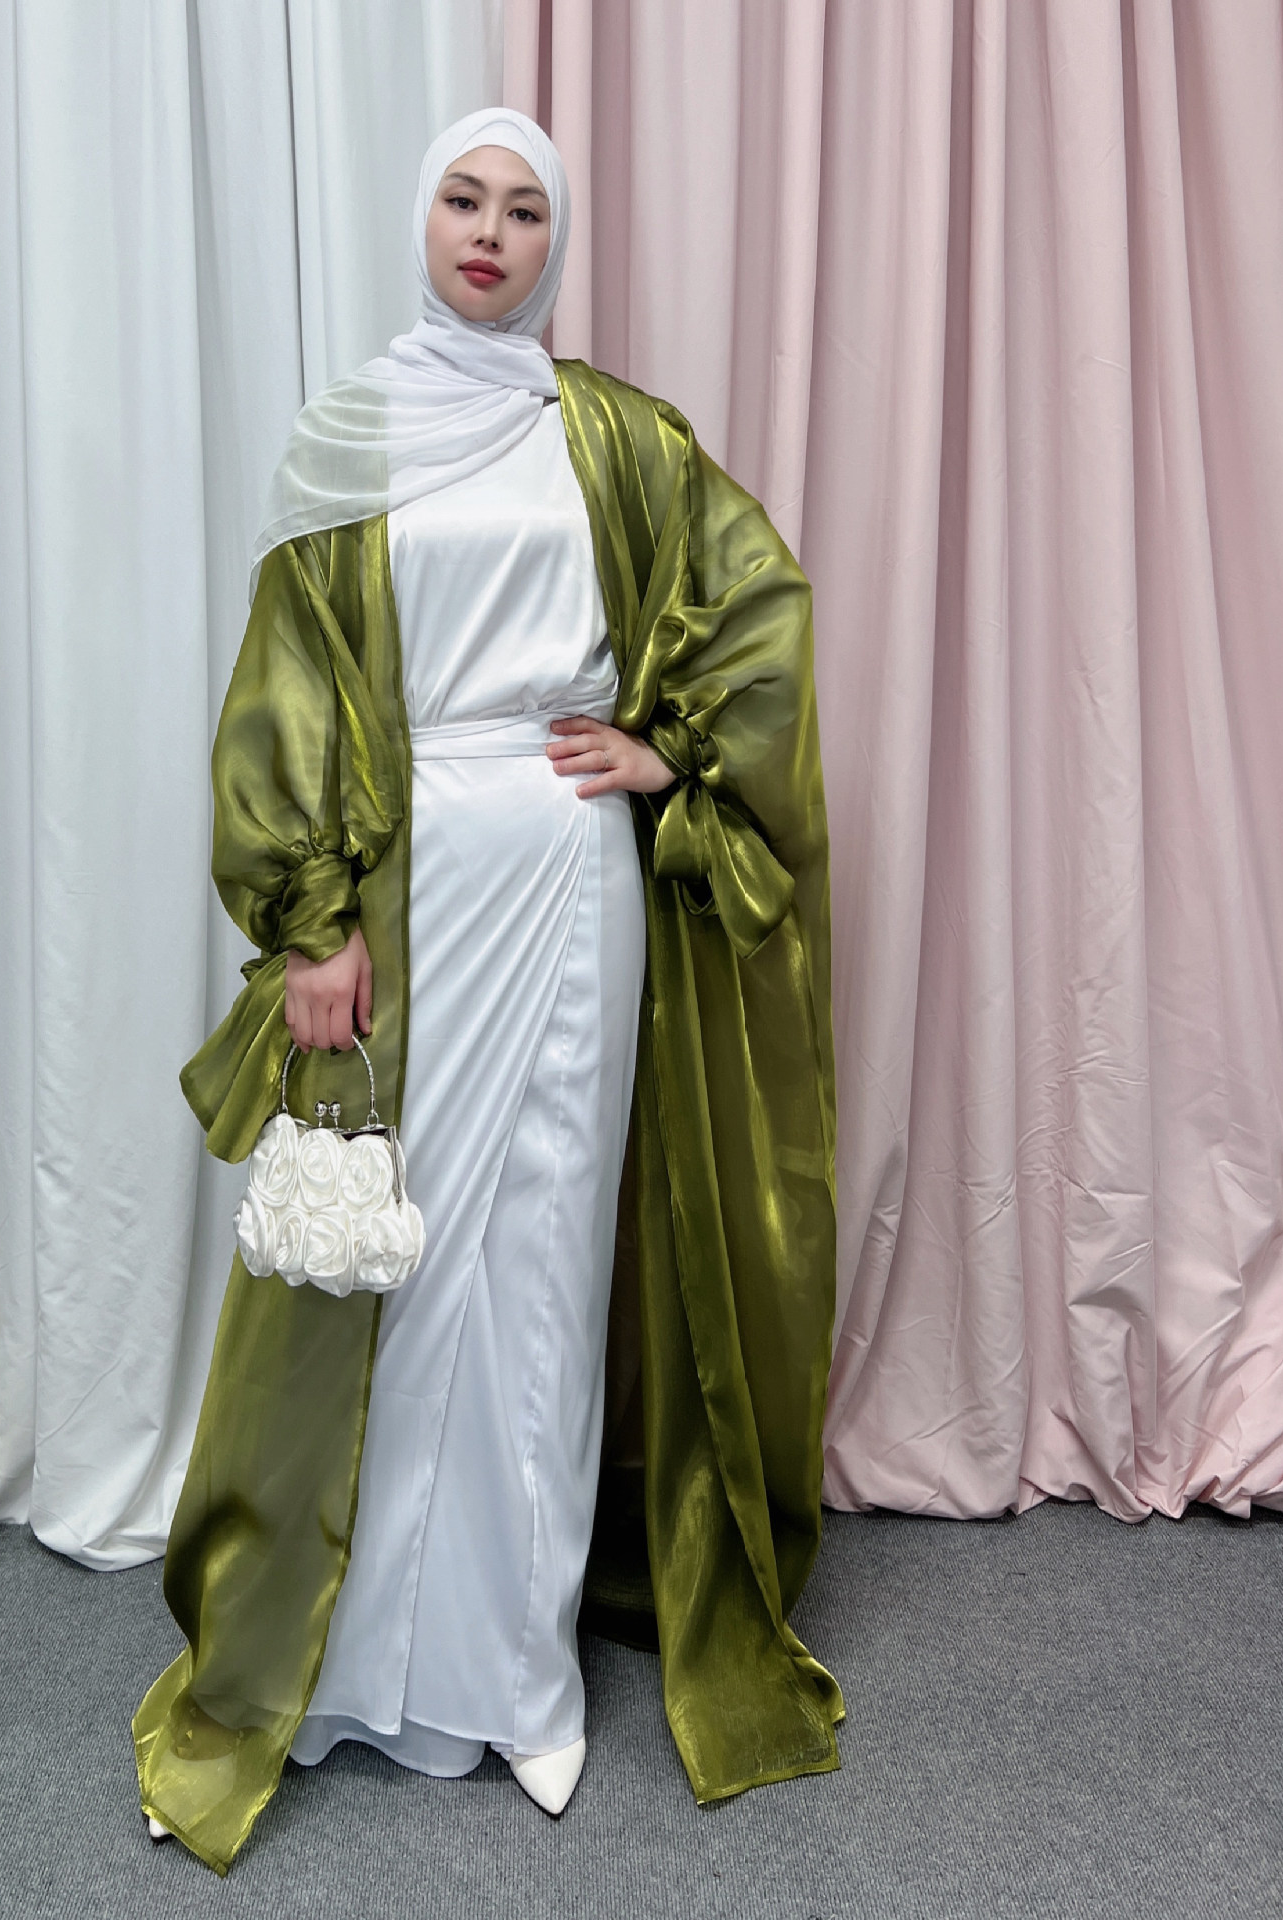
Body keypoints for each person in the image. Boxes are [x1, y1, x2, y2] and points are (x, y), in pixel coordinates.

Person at [133, 108, 843, 1877]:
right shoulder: (352, 437)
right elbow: (291, 682)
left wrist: (665, 755)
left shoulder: (612, 436)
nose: (491, 230)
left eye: (526, 210)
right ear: (423, 217)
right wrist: (311, 923)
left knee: (543, 1260)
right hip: (412, 886)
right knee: (404, 1258)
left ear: (554, 245)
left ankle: (524, 1675)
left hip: (573, 884)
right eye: (465, 197)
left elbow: (755, 606)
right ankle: (352, 1658)